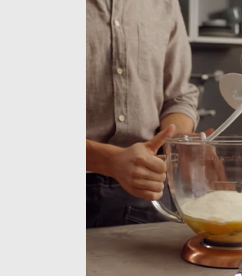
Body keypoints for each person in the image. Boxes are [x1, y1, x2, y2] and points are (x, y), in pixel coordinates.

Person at [86, 0, 202, 228]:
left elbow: (178, 97)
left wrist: (176, 142)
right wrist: (111, 161)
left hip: (149, 194)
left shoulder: (165, 5)